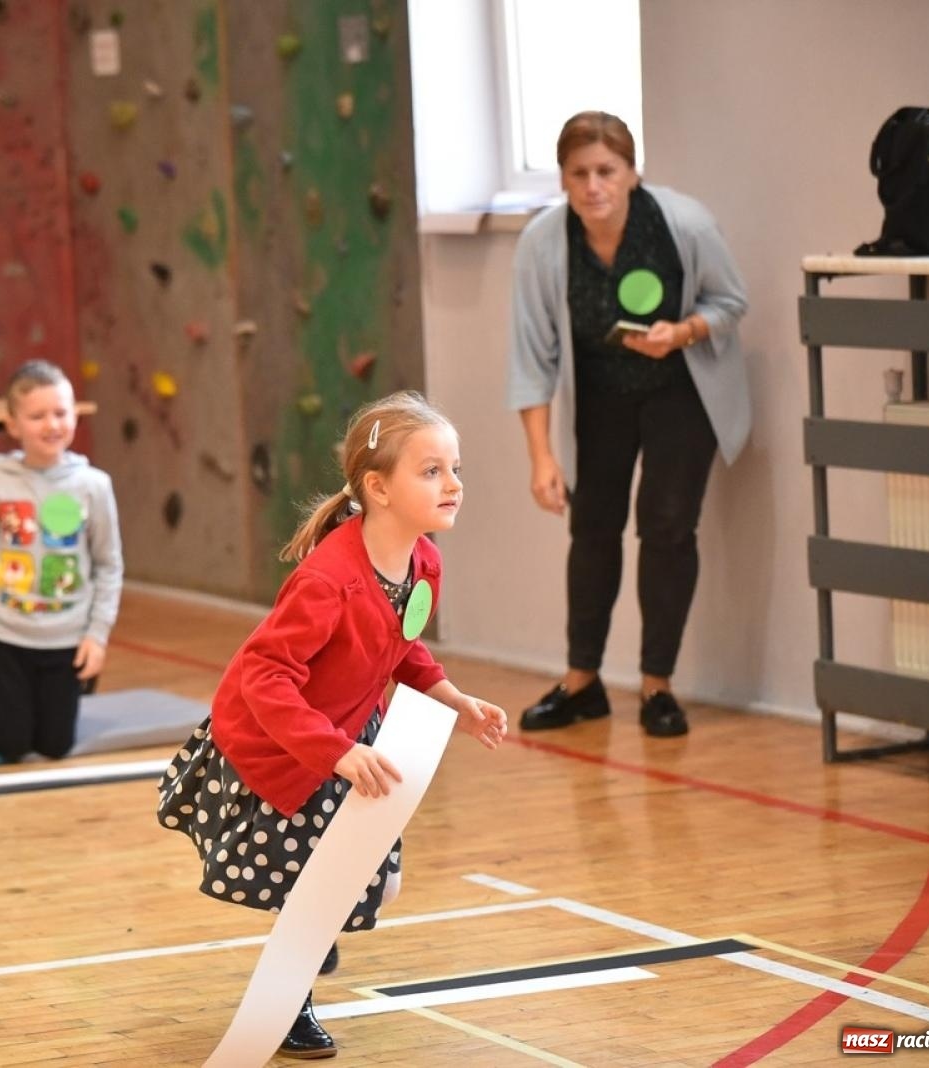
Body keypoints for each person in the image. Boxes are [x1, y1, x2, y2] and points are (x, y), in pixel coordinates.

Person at [156, 392, 508, 1059]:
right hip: (282, 744)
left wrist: (454, 699)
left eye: (454, 468)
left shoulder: (422, 560)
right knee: (307, 889)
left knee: (379, 879)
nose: (453, 483)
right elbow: (264, 677)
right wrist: (335, 751)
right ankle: (291, 1004)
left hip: (346, 735)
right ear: (377, 488)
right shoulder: (327, 581)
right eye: (430, 471)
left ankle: (312, 937)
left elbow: (400, 643)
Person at [506, 110, 749, 739]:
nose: (593, 186)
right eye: (579, 173)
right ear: (562, 178)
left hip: (679, 391)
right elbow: (532, 355)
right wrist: (541, 457)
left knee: (667, 528)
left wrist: (684, 331)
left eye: (606, 171)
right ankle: (582, 683)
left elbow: (731, 302)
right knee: (592, 529)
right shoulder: (542, 242)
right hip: (600, 395)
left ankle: (656, 687)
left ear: (632, 172)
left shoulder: (684, 224)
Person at [0, 359, 123, 762]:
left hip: (66, 637)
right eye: (37, 415)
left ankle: (75, 687)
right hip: (6, 635)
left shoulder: (94, 486)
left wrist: (96, 636)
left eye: (61, 413)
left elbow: (108, 564)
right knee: (10, 746)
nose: (52, 424)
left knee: (55, 746)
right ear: (13, 425)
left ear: (74, 416)